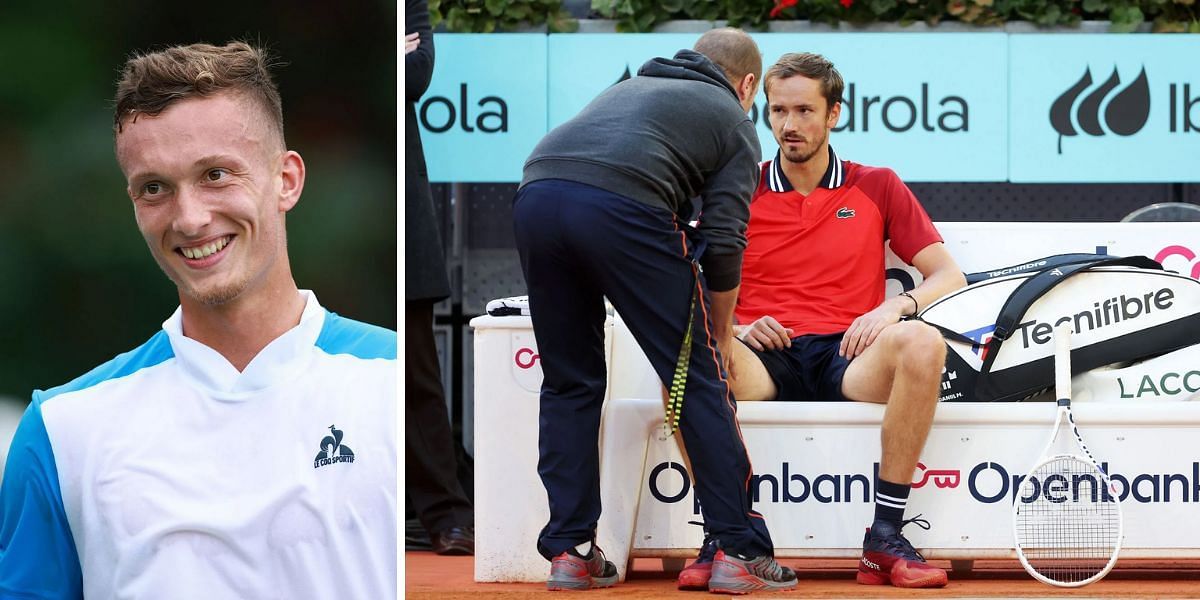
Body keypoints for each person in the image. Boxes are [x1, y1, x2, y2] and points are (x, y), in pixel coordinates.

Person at [0, 42, 396, 599]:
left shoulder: (396, 388)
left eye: (215, 174)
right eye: (155, 188)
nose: (189, 218)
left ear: (287, 179)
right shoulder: (61, 432)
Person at [514, 28, 796, 594]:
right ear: (746, 85)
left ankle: (571, 551)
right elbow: (725, 235)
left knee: (569, 383)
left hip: (537, 194)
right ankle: (736, 548)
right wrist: (717, 330)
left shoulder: (630, 87)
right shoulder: (734, 120)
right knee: (698, 381)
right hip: (623, 207)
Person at [676, 52, 967, 591]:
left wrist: (891, 307)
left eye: (805, 110)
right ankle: (724, 533)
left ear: (834, 114)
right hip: (763, 356)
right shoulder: (739, 186)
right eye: (778, 111)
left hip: (847, 356)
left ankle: (885, 537)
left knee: (922, 344)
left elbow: (948, 276)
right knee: (684, 347)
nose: (790, 126)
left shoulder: (876, 184)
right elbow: (686, 285)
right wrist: (736, 327)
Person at [404, 0, 476, 556]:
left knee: (417, 372)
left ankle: (445, 514)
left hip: (402, 213)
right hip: (314, 209)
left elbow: (415, 76)